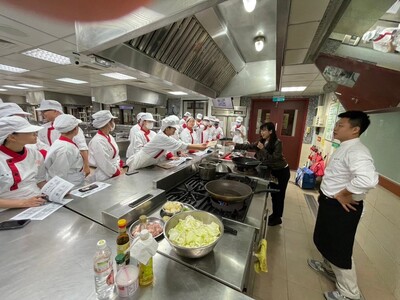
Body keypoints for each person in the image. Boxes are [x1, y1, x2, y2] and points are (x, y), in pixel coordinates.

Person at [308, 111, 378, 300]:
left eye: (341, 125)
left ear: (355, 130)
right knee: (326, 240)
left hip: (342, 208)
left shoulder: (357, 151)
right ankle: (328, 268)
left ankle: (350, 294)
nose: (336, 128)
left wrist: (344, 193)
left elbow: (368, 179)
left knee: (340, 249)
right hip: (330, 204)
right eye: (336, 124)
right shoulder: (344, 146)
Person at [231, 122, 290, 226]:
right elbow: (250, 145)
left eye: (264, 130)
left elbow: (273, 159)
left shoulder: (277, 143)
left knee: (279, 196)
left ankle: (277, 218)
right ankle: (274, 215)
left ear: (271, 131)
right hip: (272, 171)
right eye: (261, 130)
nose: (262, 132)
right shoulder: (262, 141)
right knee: (274, 194)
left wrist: (263, 149)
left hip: (281, 171)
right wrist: (235, 145)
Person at [126, 115, 208, 170]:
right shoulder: (161, 137)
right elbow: (181, 145)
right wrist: (201, 147)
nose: (175, 131)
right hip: (138, 164)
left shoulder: (164, 135)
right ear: (167, 128)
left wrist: (201, 145)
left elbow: (178, 142)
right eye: (174, 129)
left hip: (149, 164)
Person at [0, 116, 46, 209]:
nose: (35, 134)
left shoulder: (35, 154)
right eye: (29, 132)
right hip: (8, 211)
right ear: (12, 137)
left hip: (37, 202)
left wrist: (55, 191)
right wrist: (24, 203)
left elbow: (40, 181)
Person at [35, 100, 90, 177]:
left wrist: (86, 165)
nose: (42, 114)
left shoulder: (71, 126)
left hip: (70, 166)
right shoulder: (43, 129)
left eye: (44, 111)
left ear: (55, 111)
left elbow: (82, 147)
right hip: (51, 166)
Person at [44, 114, 84, 186]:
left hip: (73, 180)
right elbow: (60, 173)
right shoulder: (65, 149)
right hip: (69, 183)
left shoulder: (61, 143)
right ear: (75, 129)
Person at [88, 110, 122, 182]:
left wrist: (119, 163)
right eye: (112, 121)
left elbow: (116, 155)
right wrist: (115, 172)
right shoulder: (97, 141)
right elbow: (104, 162)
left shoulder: (109, 136)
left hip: (114, 172)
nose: (113, 123)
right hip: (104, 176)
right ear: (107, 123)